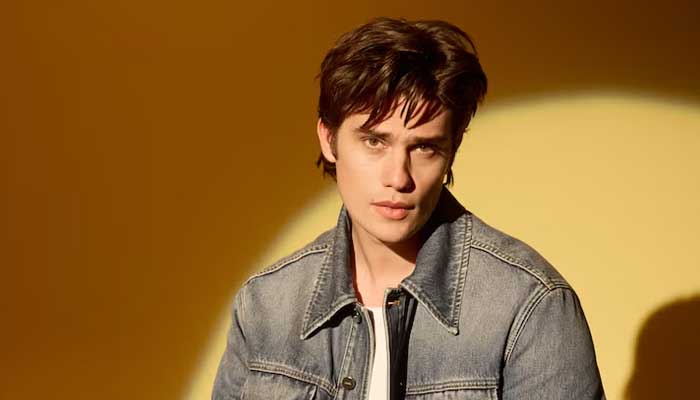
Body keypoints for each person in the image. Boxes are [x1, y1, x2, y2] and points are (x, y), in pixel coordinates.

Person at [212, 17, 605, 400]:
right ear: (329, 139)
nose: (398, 177)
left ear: (452, 151)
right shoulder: (267, 305)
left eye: (424, 148)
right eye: (374, 142)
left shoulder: (528, 307)